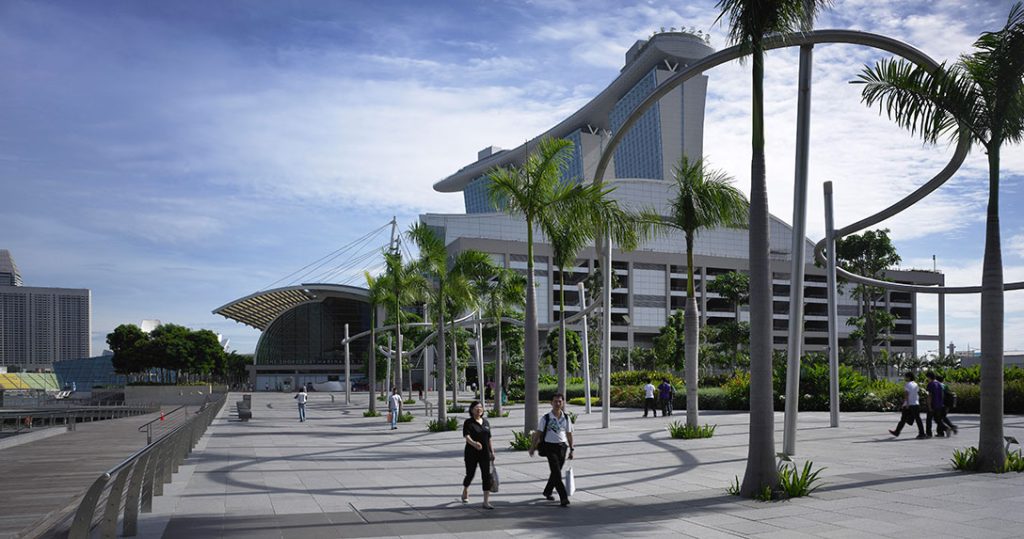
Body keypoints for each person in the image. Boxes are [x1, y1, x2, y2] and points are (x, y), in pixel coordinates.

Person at [529, 393, 574, 507]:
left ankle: (547, 491)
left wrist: (571, 449)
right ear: (551, 403)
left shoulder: (566, 418)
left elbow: (569, 434)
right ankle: (564, 497)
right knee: (557, 473)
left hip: (562, 447)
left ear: (563, 403)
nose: (557, 403)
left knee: (555, 472)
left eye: (560, 401)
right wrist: (532, 447)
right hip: (550, 447)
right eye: (555, 401)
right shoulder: (546, 418)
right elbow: (538, 433)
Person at [461, 401, 495, 509]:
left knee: (487, 476)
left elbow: (489, 438)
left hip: (485, 453)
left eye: (480, 407)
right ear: (471, 410)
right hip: (471, 453)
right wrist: (474, 444)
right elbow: (467, 437)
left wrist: (492, 452)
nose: (479, 409)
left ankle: (486, 501)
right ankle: (465, 489)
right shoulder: (468, 422)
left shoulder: (485, 422)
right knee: (470, 474)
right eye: (476, 408)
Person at [890, 371, 926, 439]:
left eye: (905, 376)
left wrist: (906, 404)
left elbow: (906, 394)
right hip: (916, 404)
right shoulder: (915, 384)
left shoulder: (907, 384)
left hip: (909, 404)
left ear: (908, 377)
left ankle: (897, 432)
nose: (904, 378)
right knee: (918, 419)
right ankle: (922, 433)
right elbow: (916, 393)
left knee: (903, 419)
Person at [924, 371, 945, 438]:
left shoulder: (930, 384)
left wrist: (929, 406)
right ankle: (941, 432)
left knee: (929, 420)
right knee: (938, 419)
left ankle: (929, 434)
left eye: (927, 377)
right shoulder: (939, 384)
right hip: (939, 404)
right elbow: (942, 394)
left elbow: (929, 396)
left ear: (929, 377)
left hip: (932, 404)